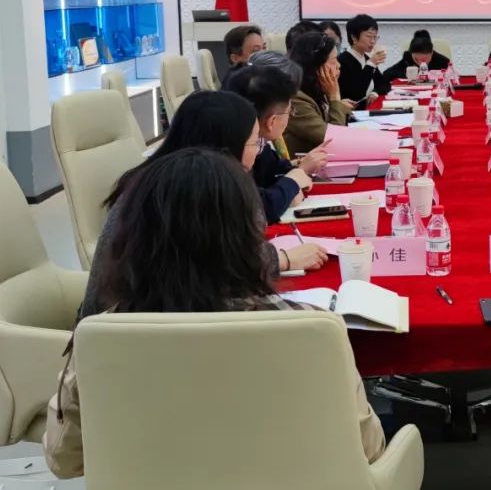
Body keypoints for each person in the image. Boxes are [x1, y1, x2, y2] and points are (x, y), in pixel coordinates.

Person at [45, 148, 386, 478]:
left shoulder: (101, 336)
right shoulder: (310, 330)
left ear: (131, 238)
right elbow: (368, 449)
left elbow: (64, 459)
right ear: (248, 238)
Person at [76, 90, 329, 321]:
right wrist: (281, 259)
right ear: (224, 147)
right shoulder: (186, 197)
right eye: (255, 143)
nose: (257, 152)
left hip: (120, 335)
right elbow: (222, 269)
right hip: (131, 329)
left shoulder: (155, 184)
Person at [227, 63, 332, 223]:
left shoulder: (256, 141)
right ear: (272, 121)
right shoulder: (233, 151)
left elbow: (274, 167)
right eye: (290, 112)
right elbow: (259, 207)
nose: (290, 116)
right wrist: (294, 180)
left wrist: (298, 167)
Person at [285, 32, 352, 155]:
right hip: (302, 164)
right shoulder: (296, 99)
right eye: (334, 61)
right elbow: (334, 140)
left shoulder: (316, 88)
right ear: (316, 65)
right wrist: (334, 98)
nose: (339, 65)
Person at [338, 13, 389, 101]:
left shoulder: (366, 58)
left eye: (375, 37)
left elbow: (384, 84)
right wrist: (370, 65)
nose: (373, 41)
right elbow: (355, 94)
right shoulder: (342, 61)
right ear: (354, 37)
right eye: (369, 36)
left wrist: (375, 93)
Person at [382, 29, 451, 82]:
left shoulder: (443, 61)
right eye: (416, 59)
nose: (420, 63)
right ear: (411, 53)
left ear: (431, 52)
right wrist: (406, 74)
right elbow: (386, 75)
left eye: (424, 60)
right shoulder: (408, 58)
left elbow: (451, 79)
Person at [220, 24, 265, 88]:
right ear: (235, 58)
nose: (264, 54)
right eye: (256, 51)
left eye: (264, 48)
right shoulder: (240, 84)